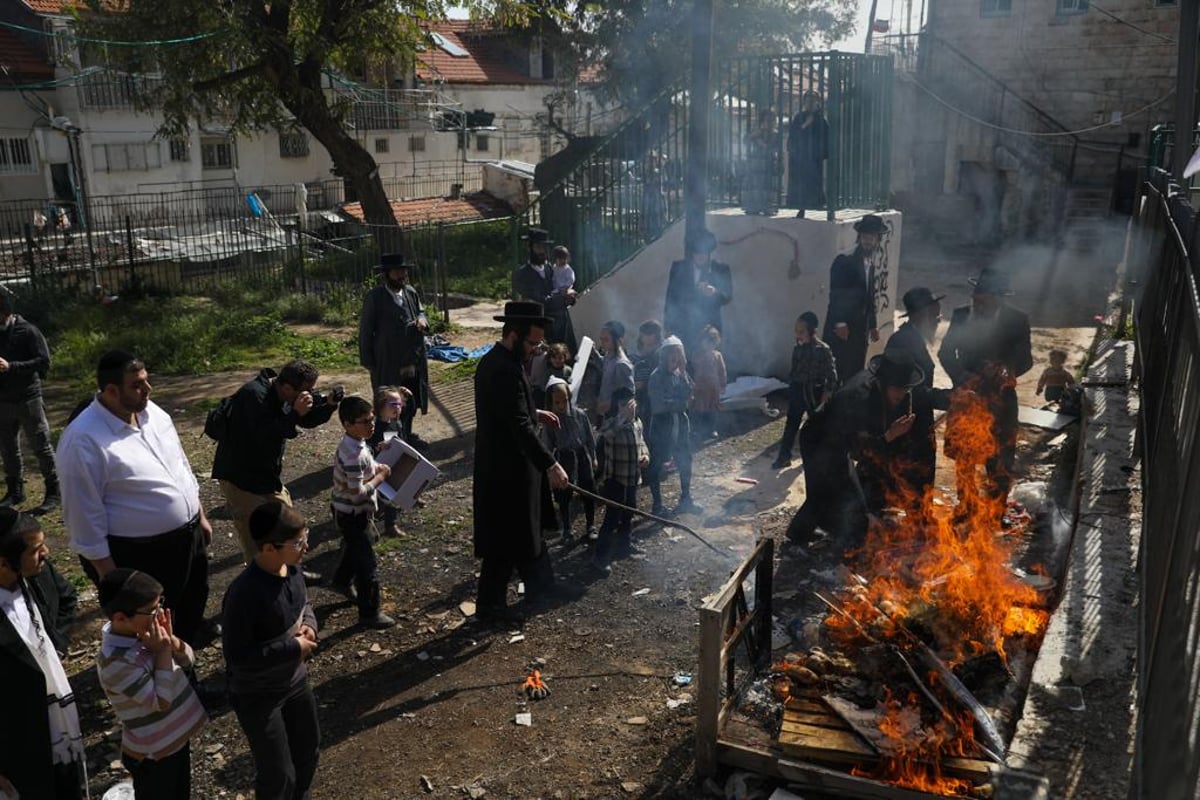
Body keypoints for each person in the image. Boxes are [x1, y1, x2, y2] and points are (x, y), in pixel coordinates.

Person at [58, 350, 214, 645]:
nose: (148, 389)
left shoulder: (153, 413)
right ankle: (167, 681)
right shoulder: (83, 441)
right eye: (137, 385)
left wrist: (200, 515)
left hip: (188, 537)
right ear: (111, 391)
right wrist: (112, 579)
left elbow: (179, 464)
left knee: (191, 603)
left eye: (147, 381)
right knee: (153, 626)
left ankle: (187, 662)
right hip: (141, 553)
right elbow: (83, 515)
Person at [472, 302, 570, 626]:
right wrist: (551, 464)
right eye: (532, 344)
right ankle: (489, 608)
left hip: (518, 465)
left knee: (529, 530)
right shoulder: (501, 369)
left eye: (539, 345)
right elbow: (518, 425)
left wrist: (535, 411)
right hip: (505, 469)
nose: (535, 351)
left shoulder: (508, 362)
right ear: (513, 336)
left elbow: (514, 412)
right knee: (504, 540)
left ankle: (542, 587)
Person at [222, 501, 320, 800]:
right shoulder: (244, 594)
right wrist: (293, 647)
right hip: (259, 695)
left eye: (306, 538)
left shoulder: (292, 568)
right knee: (278, 773)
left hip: (295, 682)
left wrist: (311, 627)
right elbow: (239, 657)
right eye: (298, 543)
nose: (305, 547)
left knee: (308, 751)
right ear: (268, 549)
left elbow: (305, 606)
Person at [788, 350, 933, 547]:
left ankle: (801, 531)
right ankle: (806, 534)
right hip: (819, 439)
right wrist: (890, 435)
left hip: (841, 439)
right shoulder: (858, 400)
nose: (902, 394)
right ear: (883, 382)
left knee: (826, 490)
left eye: (905, 388)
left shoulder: (880, 391)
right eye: (897, 388)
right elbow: (858, 449)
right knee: (822, 488)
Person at [212, 359, 339, 564]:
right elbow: (265, 435)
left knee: (289, 526)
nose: (309, 394)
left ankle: (290, 572)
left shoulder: (285, 394)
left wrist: (329, 405)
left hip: (266, 476)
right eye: (305, 391)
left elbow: (304, 420)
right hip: (240, 478)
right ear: (287, 387)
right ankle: (263, 585)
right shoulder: (253, 397)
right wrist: (296, 412)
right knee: (257, 540)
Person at [97, 568, 208, 799]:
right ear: (120, 618)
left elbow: (188, 660)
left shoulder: (145, 634)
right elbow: (162, 700)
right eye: (151, 610)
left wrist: (173, 641)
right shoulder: (114, 661)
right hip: (153, 753)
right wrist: (163, 651)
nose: (159, 615)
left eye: (160, 605)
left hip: (175, 742)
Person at [0, 509, 84, 800]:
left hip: (59, 716)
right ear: (3, 563)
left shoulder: (38, 572)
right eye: (36, 550)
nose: (46, 553)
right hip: (18, 737)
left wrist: (55, 645)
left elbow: (67, 599)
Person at [938, 266, 1033, 508]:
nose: (977, 303)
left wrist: (1007, 370)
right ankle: (966, 505)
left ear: (997, 299)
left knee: (1000, 458)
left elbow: (1025, 360)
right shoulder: (962, 316)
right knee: (965, 457)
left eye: (984, 300)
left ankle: (996, 509)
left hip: (1000, 400)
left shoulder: (1017, 320)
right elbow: (946, 352)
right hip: (968, 397)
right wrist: (961, 376)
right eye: (975, 298)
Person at [330, 395, 395, 629]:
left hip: (353, 512)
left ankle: (340, 580)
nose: (371, 425)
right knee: (367, 565)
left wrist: (376, 467)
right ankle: (369, 612)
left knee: (355, 547)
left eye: (372, 420)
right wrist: (380, 477)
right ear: (347, 424)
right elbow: (357, 492)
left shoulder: (356, 443)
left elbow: (366, 465)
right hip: (351, 513)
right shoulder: (352, 455)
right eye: (364, 422)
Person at [885, 287, 952, 497]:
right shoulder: (902, 342)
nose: (939, 320)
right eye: (935, 315)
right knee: (911, 491)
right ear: (921, 315)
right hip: (907, 432)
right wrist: (949, 398)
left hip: (918, 426)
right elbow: (909, 391)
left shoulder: (914, 337)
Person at [358, 254, 431, 448]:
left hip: (412, 358)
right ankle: (392, 442)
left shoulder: (410, 292)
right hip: (388, 360)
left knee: (410, 399)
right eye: (397, 271)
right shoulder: (376, 297)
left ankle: (407, 435)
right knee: (390, 404)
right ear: (387, 274)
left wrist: (423, 319)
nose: (402, 275)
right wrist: (368, 360)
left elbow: (420, 311)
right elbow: (365, 329)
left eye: (404, 271)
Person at [0, 292, 58, 515]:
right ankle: (15, 490)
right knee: (8, 448)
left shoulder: (29, 331)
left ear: (6, 313)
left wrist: (12, 366)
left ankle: (53, 490)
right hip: (3, 400)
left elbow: (44, 362)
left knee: (41, 446)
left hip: (28, 398)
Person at [594, 386, 649, 574]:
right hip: (616, 479)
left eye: (631, 403)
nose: (630, 408)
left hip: (633, 477)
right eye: (624, 405)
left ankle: (625, 544)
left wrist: (645, 455)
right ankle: (600, 558)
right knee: (612, 517)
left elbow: (642, 443)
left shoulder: (637, 423)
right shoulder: (611, 423)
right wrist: (622, 417)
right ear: (617, 406)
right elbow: (605, 437)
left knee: (629, 511)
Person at [824, 214, 885, 382]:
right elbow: (836, 293)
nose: (868, 241)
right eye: (865, 237)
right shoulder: (845, 260)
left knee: (855, 370)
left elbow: (869, 297)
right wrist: (840, 323)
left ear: (877, 240)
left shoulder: (870, 263)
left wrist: (873, 325)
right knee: (838, 371)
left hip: (860, 329)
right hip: (843, 328)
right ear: (859, 237)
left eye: (872, 238)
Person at [773, 311, 838, 470]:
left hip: (814, 393)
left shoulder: (822, 349)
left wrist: (827, 392)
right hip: (798, 390)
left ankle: (814, 458)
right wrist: (791, 387)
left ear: (811, 330)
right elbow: (794, 370)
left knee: (816, 426)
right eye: (796, 331)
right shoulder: (798, 348)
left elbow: (832, 374)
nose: (798, 335)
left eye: (801, 331)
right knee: (791, 425)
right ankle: (784, 457)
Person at [646, 336, 699, 517]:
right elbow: (659, 405)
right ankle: (657, 506)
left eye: (678, 355)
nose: (675, 359)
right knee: (657, 464)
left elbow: (691, 394)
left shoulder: (680, 373)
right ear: (665, 355)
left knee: (685, 459)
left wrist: (684, 373)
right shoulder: (656, 376)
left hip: (680, 423)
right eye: (672, 355)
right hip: (663, 425)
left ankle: (686, 499)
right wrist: (680, 403)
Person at [543, 377, 597, 544]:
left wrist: (593, 458)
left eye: (565, 401)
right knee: (564, 495)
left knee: (588, 490)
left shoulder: (579, 415)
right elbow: (546, 446)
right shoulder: (549, 421)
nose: (561, 406)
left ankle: (590, 526)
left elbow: (589, 438)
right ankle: (567, 529)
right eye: (557, 402)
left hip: (581, 455)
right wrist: (551, 468)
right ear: (551, 402)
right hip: (564, 458)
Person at [664, 229, 733, 357]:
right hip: (683, 326)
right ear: (692, 253)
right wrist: (668, 326)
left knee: (710, 366)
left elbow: (728, 296)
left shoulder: (720, 269)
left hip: (709, 329)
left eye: (704, 253)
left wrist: (715, 292)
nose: (701, 256)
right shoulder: (678, 267)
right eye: (697, 253)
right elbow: (670, 297)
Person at [513, 229, 577, 351]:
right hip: (537, 328)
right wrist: (563, 297)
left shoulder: (551, 269)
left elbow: (561, 289)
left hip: (559, 327)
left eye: (544, 247)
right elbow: (539, 300)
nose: (542, 251)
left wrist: (570, 297)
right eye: (538, 247)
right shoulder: (522, 275)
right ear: (530, 247)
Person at [367, 385, 412, 539]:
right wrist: (377, 447)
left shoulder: (396, 423)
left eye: (400, 404)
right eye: (393, 404)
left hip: (393, 465)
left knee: (393, 496)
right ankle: (371, 522)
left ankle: (390, 525)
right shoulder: (373, 426)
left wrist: (408, 397)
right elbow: (365, 447)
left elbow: (408, 416)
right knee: (375, 499)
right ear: (380, 406)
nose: (398, 408)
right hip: (375, 468)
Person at [786, 91, 829, 218]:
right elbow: (793, 137)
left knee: (814, 182)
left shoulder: (821, 119)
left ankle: (816, 204)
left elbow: (826, 138)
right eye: (808, 101)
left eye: (813, 101)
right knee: (800, 184)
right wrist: (805, 125)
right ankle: (801, 207)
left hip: (814, 158)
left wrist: (822, 154)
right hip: (800, 157)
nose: (810, 104)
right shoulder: (799, 117)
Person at [690, 324, 727, 440]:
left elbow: (722, 370)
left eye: (712, 342)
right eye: (706, 342)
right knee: (699, 408)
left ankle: (711, 429)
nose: (709, 345)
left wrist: (723, 384)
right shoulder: (697, 355)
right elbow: (692, 369)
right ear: (701, 342)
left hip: (713, 387)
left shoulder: (717, 355)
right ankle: (697, 430)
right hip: (700, 387)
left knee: (712, 409)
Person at [743, 108, 779, 216]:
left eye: (772, 120)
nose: (769, 123)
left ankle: (768, 207)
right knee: (754, 185)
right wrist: (757, 135)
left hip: (768, 163)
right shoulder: (756, 132)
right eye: (767, 120)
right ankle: (753, 207)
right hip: (756, 163)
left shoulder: (775, 134)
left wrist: (763, 144)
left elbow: (774, 148)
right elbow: (746, 140)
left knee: (767, 186)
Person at [596, 320, 635, 419]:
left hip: (615, 416)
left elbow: (627, 394)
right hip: (605, 413)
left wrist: (608, 404)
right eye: (601, 339)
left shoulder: (621, 364)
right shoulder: (609, 354)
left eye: (606, 340)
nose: (602, 343)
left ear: (618, 341)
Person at [632, 320, 663, 432]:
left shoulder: (660, 353)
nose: (645, 336)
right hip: (638, 395)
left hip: (652, 395)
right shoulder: (638, 353)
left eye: (649, 334)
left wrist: (644, 383)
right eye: (644, 333)